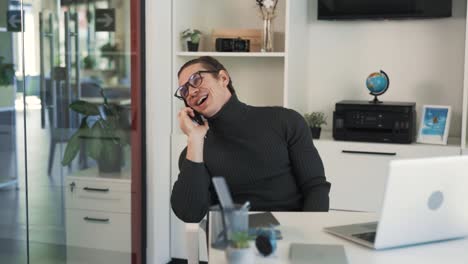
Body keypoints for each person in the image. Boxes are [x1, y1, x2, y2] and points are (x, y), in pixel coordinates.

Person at [171, 56, 331, 223]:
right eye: (184, 91)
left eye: (196, 79)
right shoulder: (195, 153)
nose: (191, 92)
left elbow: (315, 188)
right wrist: (195, 139)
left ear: (223, 78)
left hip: (294, 234)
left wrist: (307, 237)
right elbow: (189, 213)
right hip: (238, 242)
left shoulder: (285, 121)